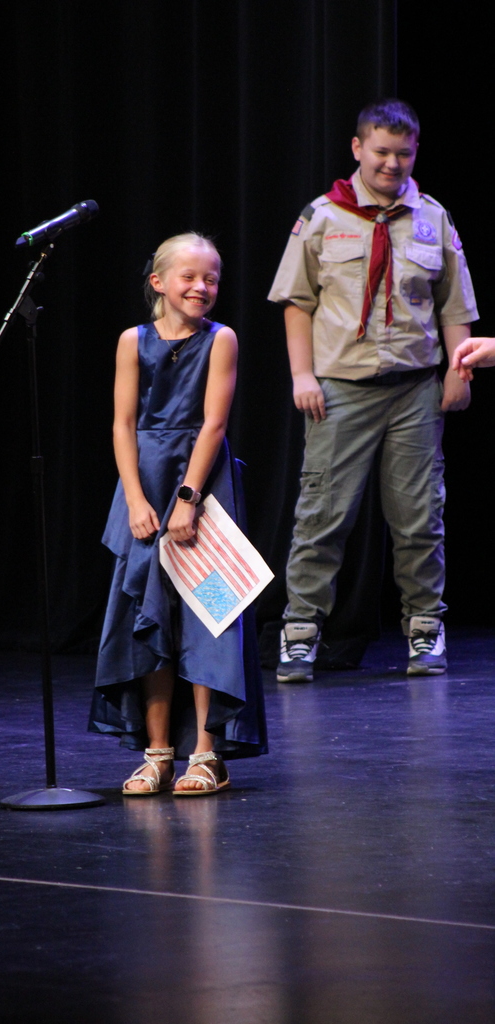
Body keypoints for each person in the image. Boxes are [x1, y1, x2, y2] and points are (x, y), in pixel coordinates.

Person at [268, 99, 478, 681]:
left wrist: (458, 372)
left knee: (419, 517)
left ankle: (425, 627)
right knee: (322, 515)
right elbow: (297, 302)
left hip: (414, 389)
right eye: (381, 152)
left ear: (415, 152)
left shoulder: (433, 218)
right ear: (358, 148)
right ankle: (301, 631)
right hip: (341, 388)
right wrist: (302, 376)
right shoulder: (322, 216)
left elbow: (453, 305)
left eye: (403, 154)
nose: (392, 164)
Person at [89, 232, 267, 795]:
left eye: (211, 278)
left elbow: (213, 424)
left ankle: (206, 754)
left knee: (210, 613)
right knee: (151, 616)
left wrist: (188, 498)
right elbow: (123, 425)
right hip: (144, 485)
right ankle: (158, 751)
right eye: (188, 276)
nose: (201, 286)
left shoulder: (221, 339)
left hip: (202, 488)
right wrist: (135, 498)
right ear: (158, 282)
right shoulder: (132, 341)